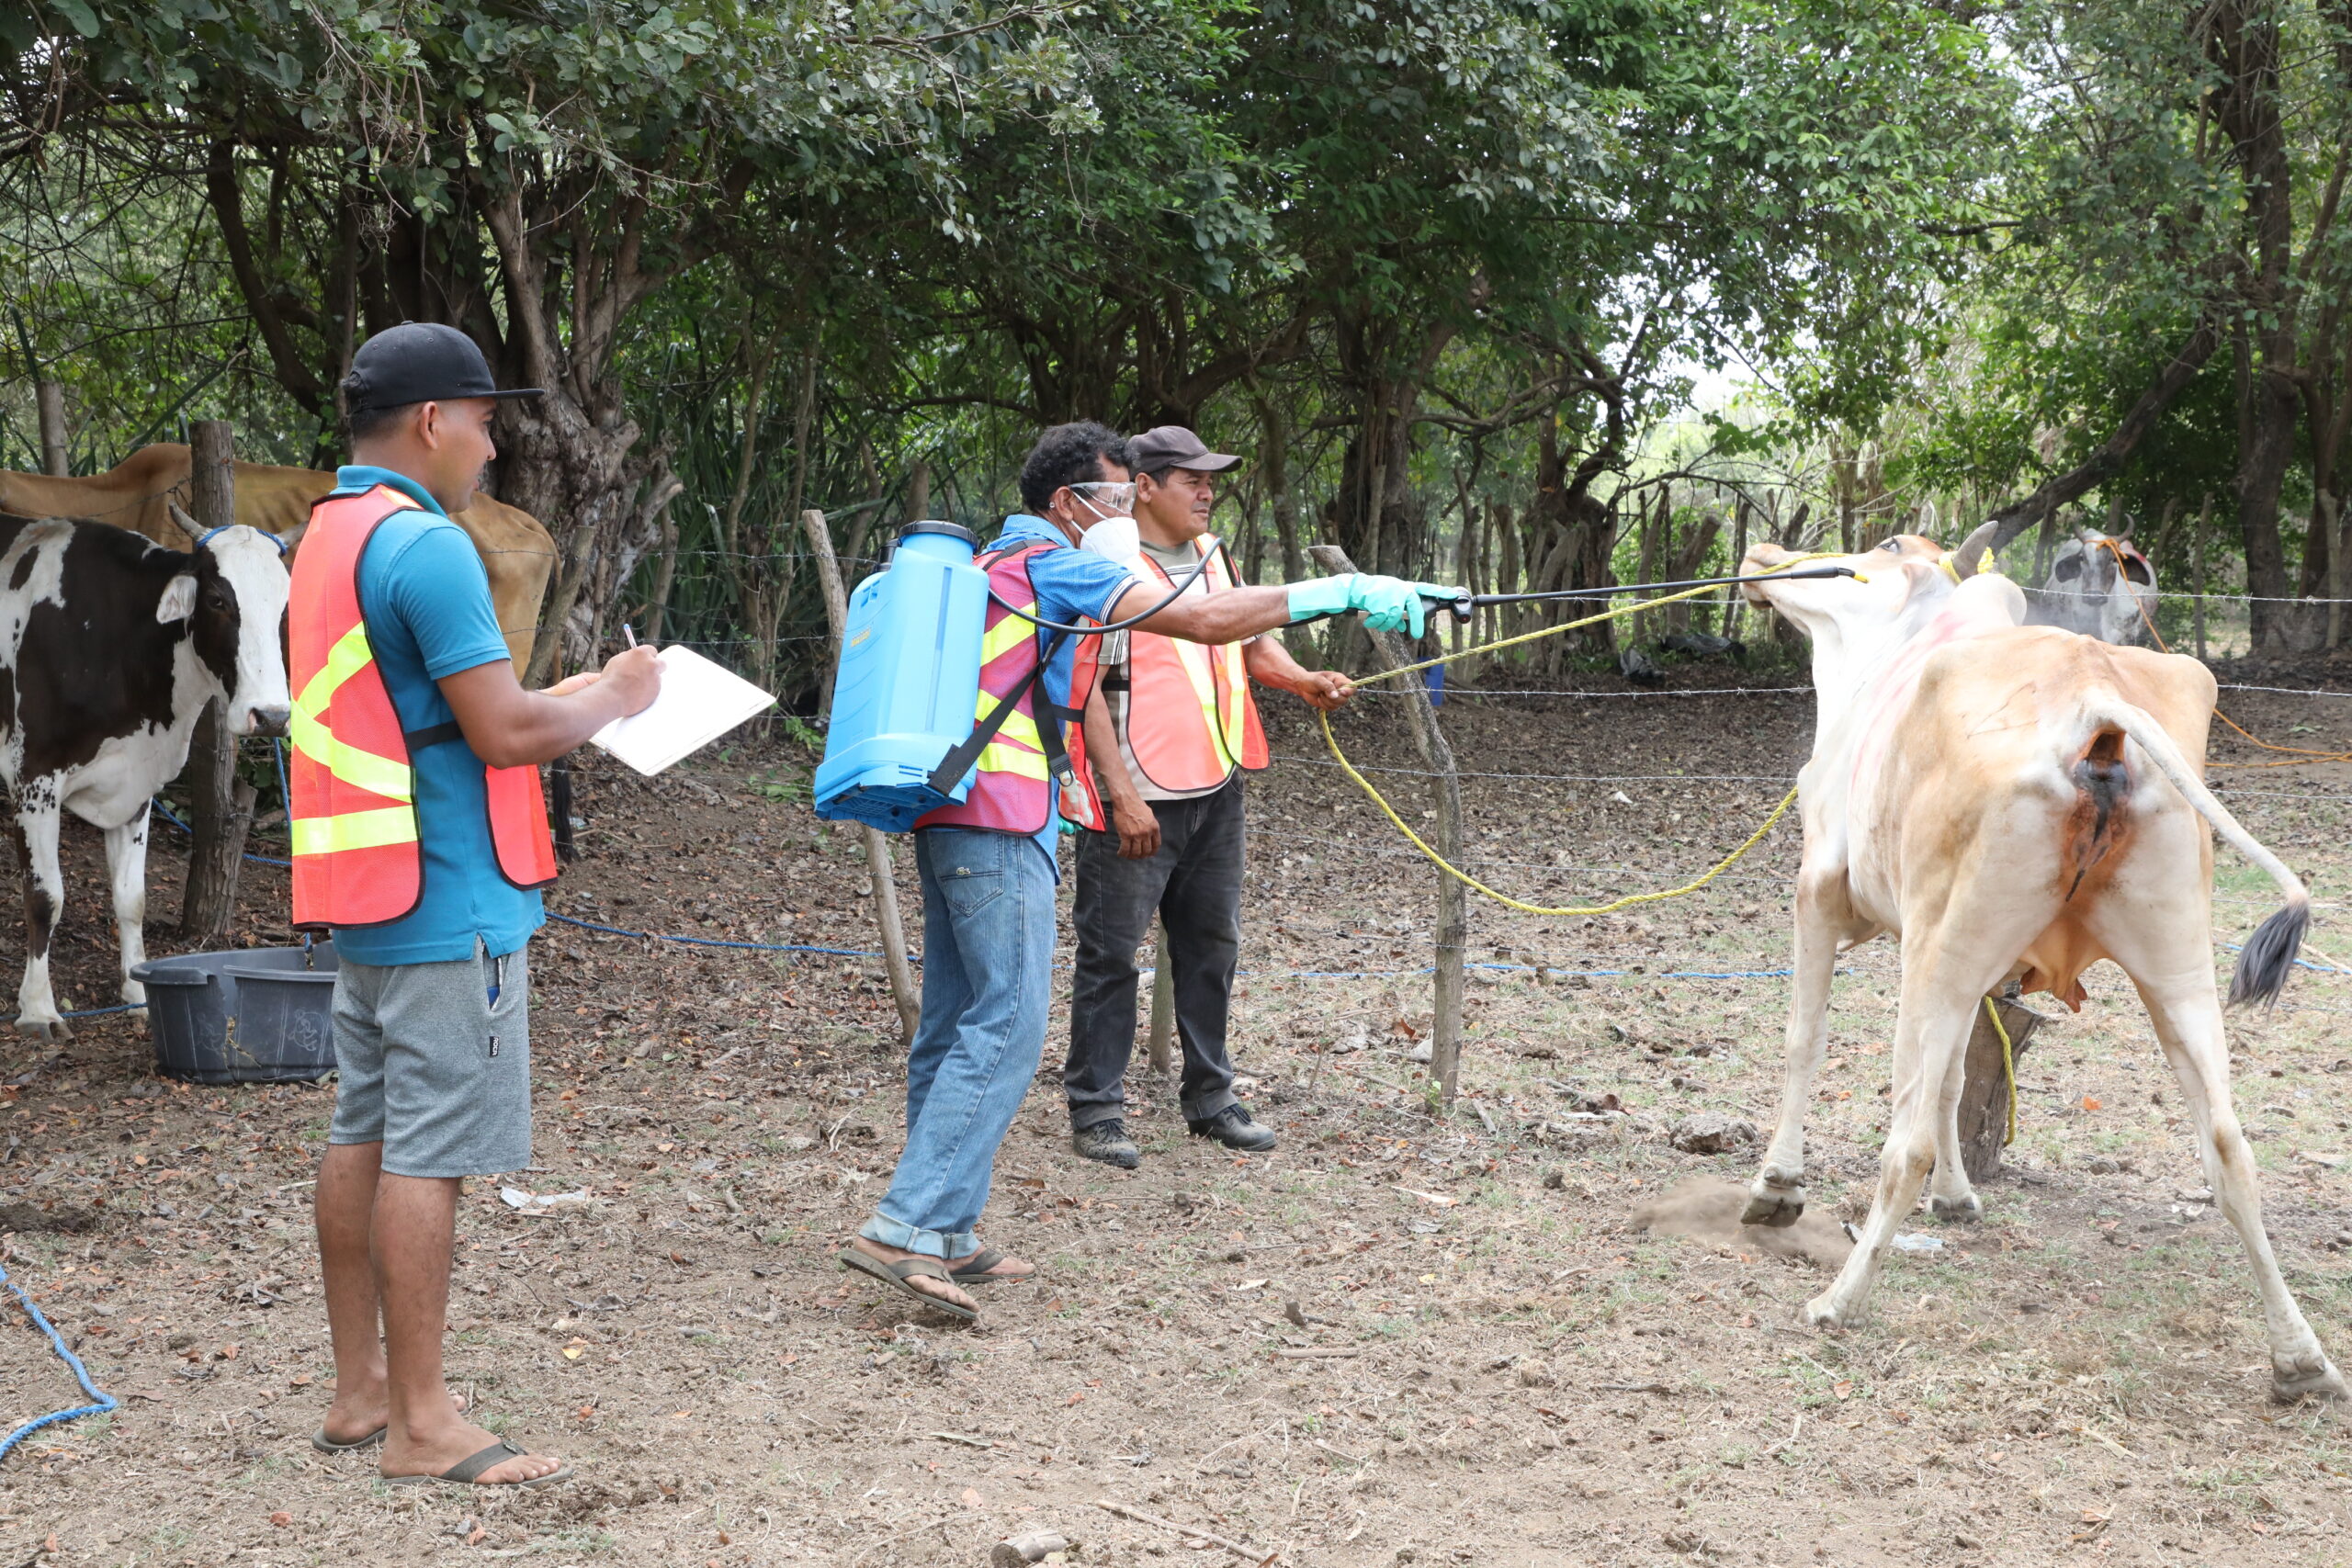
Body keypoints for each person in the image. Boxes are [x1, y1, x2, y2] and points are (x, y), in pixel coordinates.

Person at [840, 422, 1460, 1321]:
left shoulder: (993, 563)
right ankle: (903, 1226)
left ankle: (947, 1229)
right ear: (1067, 504)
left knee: (953, 1022)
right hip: (999, 813)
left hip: (950, 808)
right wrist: (1348, 590)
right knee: (1005, 1025)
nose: (1124, 514)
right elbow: (1203, 621)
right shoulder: (1058, 565)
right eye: (1114, 498)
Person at [296, 322, 662, 1489]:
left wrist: (567, 696)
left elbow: (429, 708)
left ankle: (361, 1392)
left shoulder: (329, 532)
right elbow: (503, 731)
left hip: (370, 889)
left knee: (363, 1129)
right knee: (431, 1152)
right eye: (486, 422)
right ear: (432, 421)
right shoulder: (431, 546)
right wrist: (616, 696)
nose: (493, 447)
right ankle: (423, 1423)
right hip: (451, 892)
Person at [1064, 425, 1352, 1167]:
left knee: (1211, 945)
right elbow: (1081, 683)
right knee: (1111, 954)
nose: (1206, 492)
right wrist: (1118, 792)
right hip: (1137, 792)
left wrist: (1301, 679)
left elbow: (1249, 642)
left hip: (1217, 784)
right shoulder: (1106, 564)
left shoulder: (1213, 556)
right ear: (1144, 486)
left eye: (1211, 480)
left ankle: (1211, 1097)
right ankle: (1096, 1109)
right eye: (1190, 479)